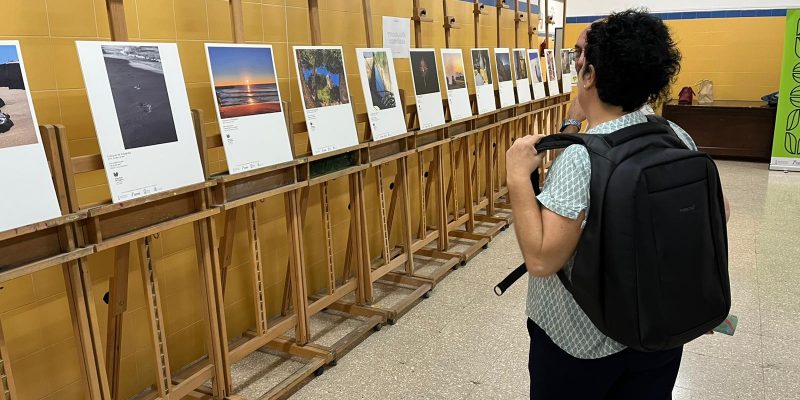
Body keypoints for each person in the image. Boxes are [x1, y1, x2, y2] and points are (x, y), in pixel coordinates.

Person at [504, 9, 730, 399]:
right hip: (658, 330)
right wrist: (574, 124)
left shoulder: (581, 158)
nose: (576, 64)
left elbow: (542, 259)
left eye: (580, 57)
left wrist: (516, 177)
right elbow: (719, 213)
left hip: (579, 343)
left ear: (590, 76)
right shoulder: (676, 135)